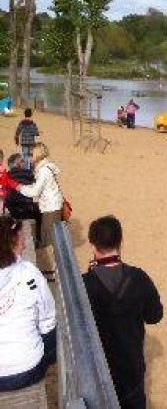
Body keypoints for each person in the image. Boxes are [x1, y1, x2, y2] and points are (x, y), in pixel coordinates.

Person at [83, 215, 163, 409]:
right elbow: (155, 315)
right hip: (130, 366)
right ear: (121, 242)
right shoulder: (138, 277)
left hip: (98, 369)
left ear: (93, 246)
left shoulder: (85, 284)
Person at [0, 216, 57, 392]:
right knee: (56, 331)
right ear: (13, 242)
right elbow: (48, 320)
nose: (24, 241)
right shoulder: (29, 273)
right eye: (21, 236)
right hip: (28, 368)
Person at [17, 144, 63, 278]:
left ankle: (51, 272)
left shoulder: (43, 171)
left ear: (37, 155)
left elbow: (35, 191)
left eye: (31, 154)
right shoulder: (44, 168)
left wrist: (19, 188)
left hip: (51, 208)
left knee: (48, 240)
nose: (29, 157)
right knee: (46, 237)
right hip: (50, 206)